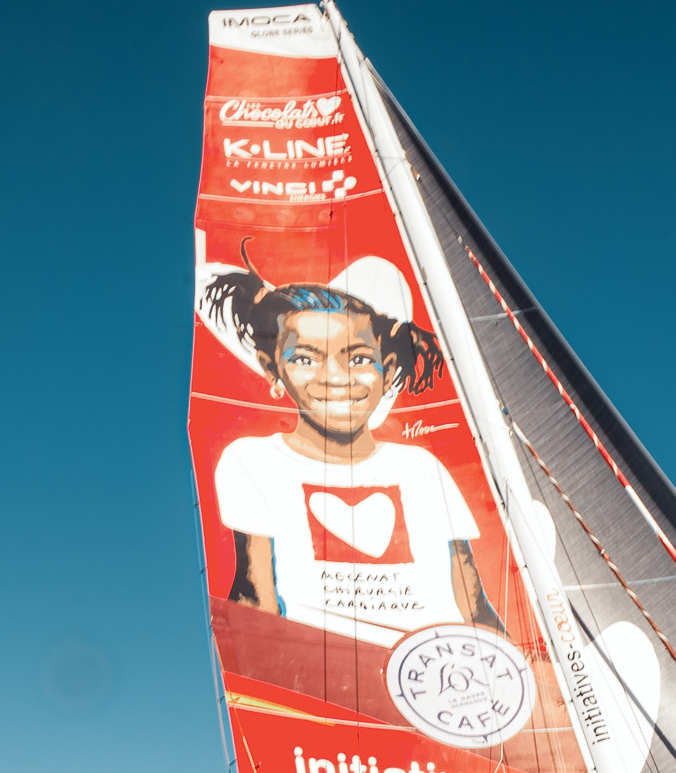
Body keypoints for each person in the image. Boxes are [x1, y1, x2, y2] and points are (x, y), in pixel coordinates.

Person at [203, 253, 505, 647]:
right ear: (272, 368)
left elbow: (472, 606)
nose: (335, 378)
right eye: (305, 358)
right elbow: (256, 601)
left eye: (359, 358)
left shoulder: (422, 467)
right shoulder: (252, 461)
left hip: (446, 673)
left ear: (388, 369)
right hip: (312, 671)